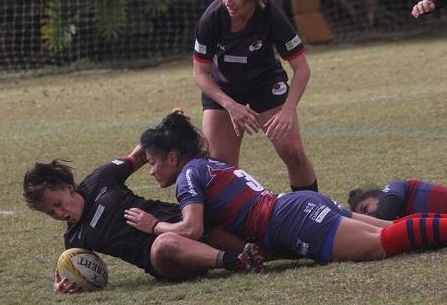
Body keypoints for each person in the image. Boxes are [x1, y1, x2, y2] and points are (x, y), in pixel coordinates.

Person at [125, 111, 447, 264]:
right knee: (392, 227)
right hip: (297, 205)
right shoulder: (209, 164)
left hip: (291, 220)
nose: (150, 171)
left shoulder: (188, 177)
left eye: (152, 162)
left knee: (382, 243)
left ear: (172, 157)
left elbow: (192, 228)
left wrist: (154, 226)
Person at [22, 144, 264, 294]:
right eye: (50, 213)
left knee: (202, 223)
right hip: (167, 262)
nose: (58, 214)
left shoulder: (99, 180)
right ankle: (235, 261)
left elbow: (138, 155)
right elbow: (71, 271)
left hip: (186, 225)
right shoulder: (74, 239)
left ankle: (263, 251)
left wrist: (165, 130)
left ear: (68, 187)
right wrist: (63, 287)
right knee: (165, 242)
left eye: (57, 204)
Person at [192, 0, 317, 193]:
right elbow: (200, 74)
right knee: (221, 168)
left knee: (293, 152)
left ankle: (310, 210)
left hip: (265, 83)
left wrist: (288, 109)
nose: (227, 2)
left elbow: (302, 69)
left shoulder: (270, 14)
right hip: (224, 88)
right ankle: (234, 224)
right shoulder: (211, 18)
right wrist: (231, 105)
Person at [348, 180, 447, 220]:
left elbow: (385, 213)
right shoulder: (400, 220)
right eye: (364, 217)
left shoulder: (396, 186)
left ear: (378, 194)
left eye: (365, 209)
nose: (367, 216)